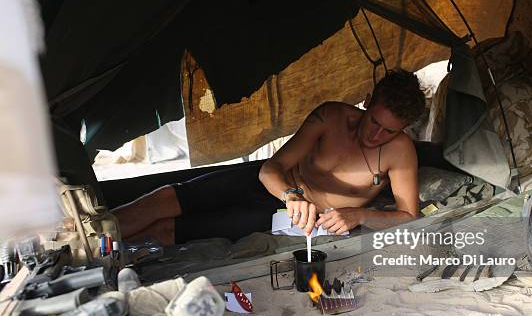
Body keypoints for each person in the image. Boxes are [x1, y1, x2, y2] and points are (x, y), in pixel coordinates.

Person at [112, 69, 426, 245]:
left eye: (389, 131)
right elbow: (270, 168)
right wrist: (292, 194)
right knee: (163, 199)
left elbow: (409, 216)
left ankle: (99, 261)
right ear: (368, 101)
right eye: (374, 122)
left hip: (287, 219)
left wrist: (360, 216)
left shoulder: (400, 152)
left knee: (166, 230)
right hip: (275, 186)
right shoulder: (330, 117)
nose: (376, 136)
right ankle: (82, 240)